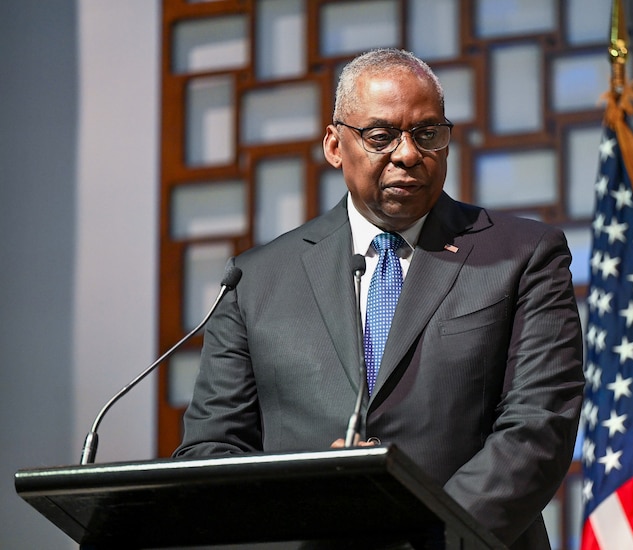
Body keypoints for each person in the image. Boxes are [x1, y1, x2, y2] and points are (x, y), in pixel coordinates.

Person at [174, 48, 584, 549]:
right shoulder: (255, 280)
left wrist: (432, 539)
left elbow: (538, 428)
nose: (408, 154)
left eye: (427, 133)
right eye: (381, 136)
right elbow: (210, 449)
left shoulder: (522, 255)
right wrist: (313, 506)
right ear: (334, 145)